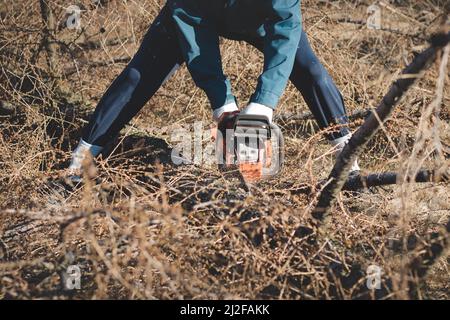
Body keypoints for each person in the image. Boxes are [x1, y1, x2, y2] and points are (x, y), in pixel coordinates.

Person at [69, 0, 360, 176]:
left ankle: (348, 162)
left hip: (260, 20)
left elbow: (285, 26)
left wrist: (263, 104)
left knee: (311, 71)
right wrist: (223, 103)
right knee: (137, 76)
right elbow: (194, 31)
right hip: (193, 15)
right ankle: (80, 160)